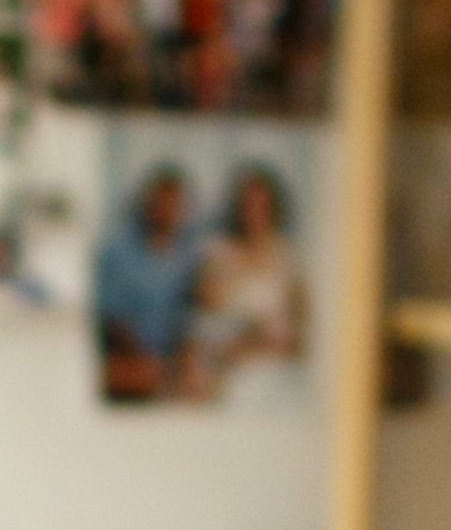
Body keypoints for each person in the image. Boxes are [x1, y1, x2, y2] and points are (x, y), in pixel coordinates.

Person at [96, 166, 202, 401]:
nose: (165, 211)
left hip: (172, 364)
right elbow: (111, 317)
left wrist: (176, 363)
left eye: (172, 204)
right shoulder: (118, 253)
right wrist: (141, 359)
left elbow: (191, 317)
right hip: (127, 358)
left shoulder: (188, 257)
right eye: (159, 203)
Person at [194, 165, 306, 372]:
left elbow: (297, 332)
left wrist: (260, 342)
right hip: (220, 362)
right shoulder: (217, 251)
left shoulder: (286, 258)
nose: (253, 212)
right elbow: (204, 312)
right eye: (247, 204)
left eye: (261, 205)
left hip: (271, 365)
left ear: (273, 209)